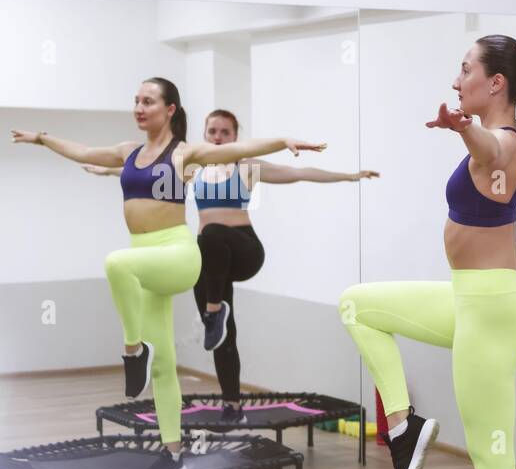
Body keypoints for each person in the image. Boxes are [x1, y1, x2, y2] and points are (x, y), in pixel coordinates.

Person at [338, 35, 516, 469]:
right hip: (470, 301)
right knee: (357, 305)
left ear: (496, 83)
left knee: (493, 462)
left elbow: (490, 146)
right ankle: (404, 426)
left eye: (465, 70)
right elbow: (498, 150)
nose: (456, 81)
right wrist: (465, 131)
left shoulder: (501, 141)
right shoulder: (515, 142)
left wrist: (462, 129)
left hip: (492, 311)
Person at [10, 77, 323, 469]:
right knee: (164, 364)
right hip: (145, 258)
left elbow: (240, 148)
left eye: (149, 101)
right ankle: (173, 449)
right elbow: (84, 151)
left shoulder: (185, 153)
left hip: (176, 252)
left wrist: (282, 140)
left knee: (115, 263)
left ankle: (132, 349)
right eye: (136, 101)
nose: (139, 108)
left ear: (170, 109)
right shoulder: (129, 151)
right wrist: (41, 138)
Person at [84, 107, 378, 424]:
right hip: (210, 265)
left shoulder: (246, 167)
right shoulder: (193, 168)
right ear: (205, 135)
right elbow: (148, 174)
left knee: (210, 233)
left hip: (244, 250)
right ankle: (232, 402)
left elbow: (300, 173)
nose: (219, 138)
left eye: (225, 132)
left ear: (236, 136)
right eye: (213, 132)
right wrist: (108, 172)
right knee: (223, 338)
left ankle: (213, 311)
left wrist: (349, 177)